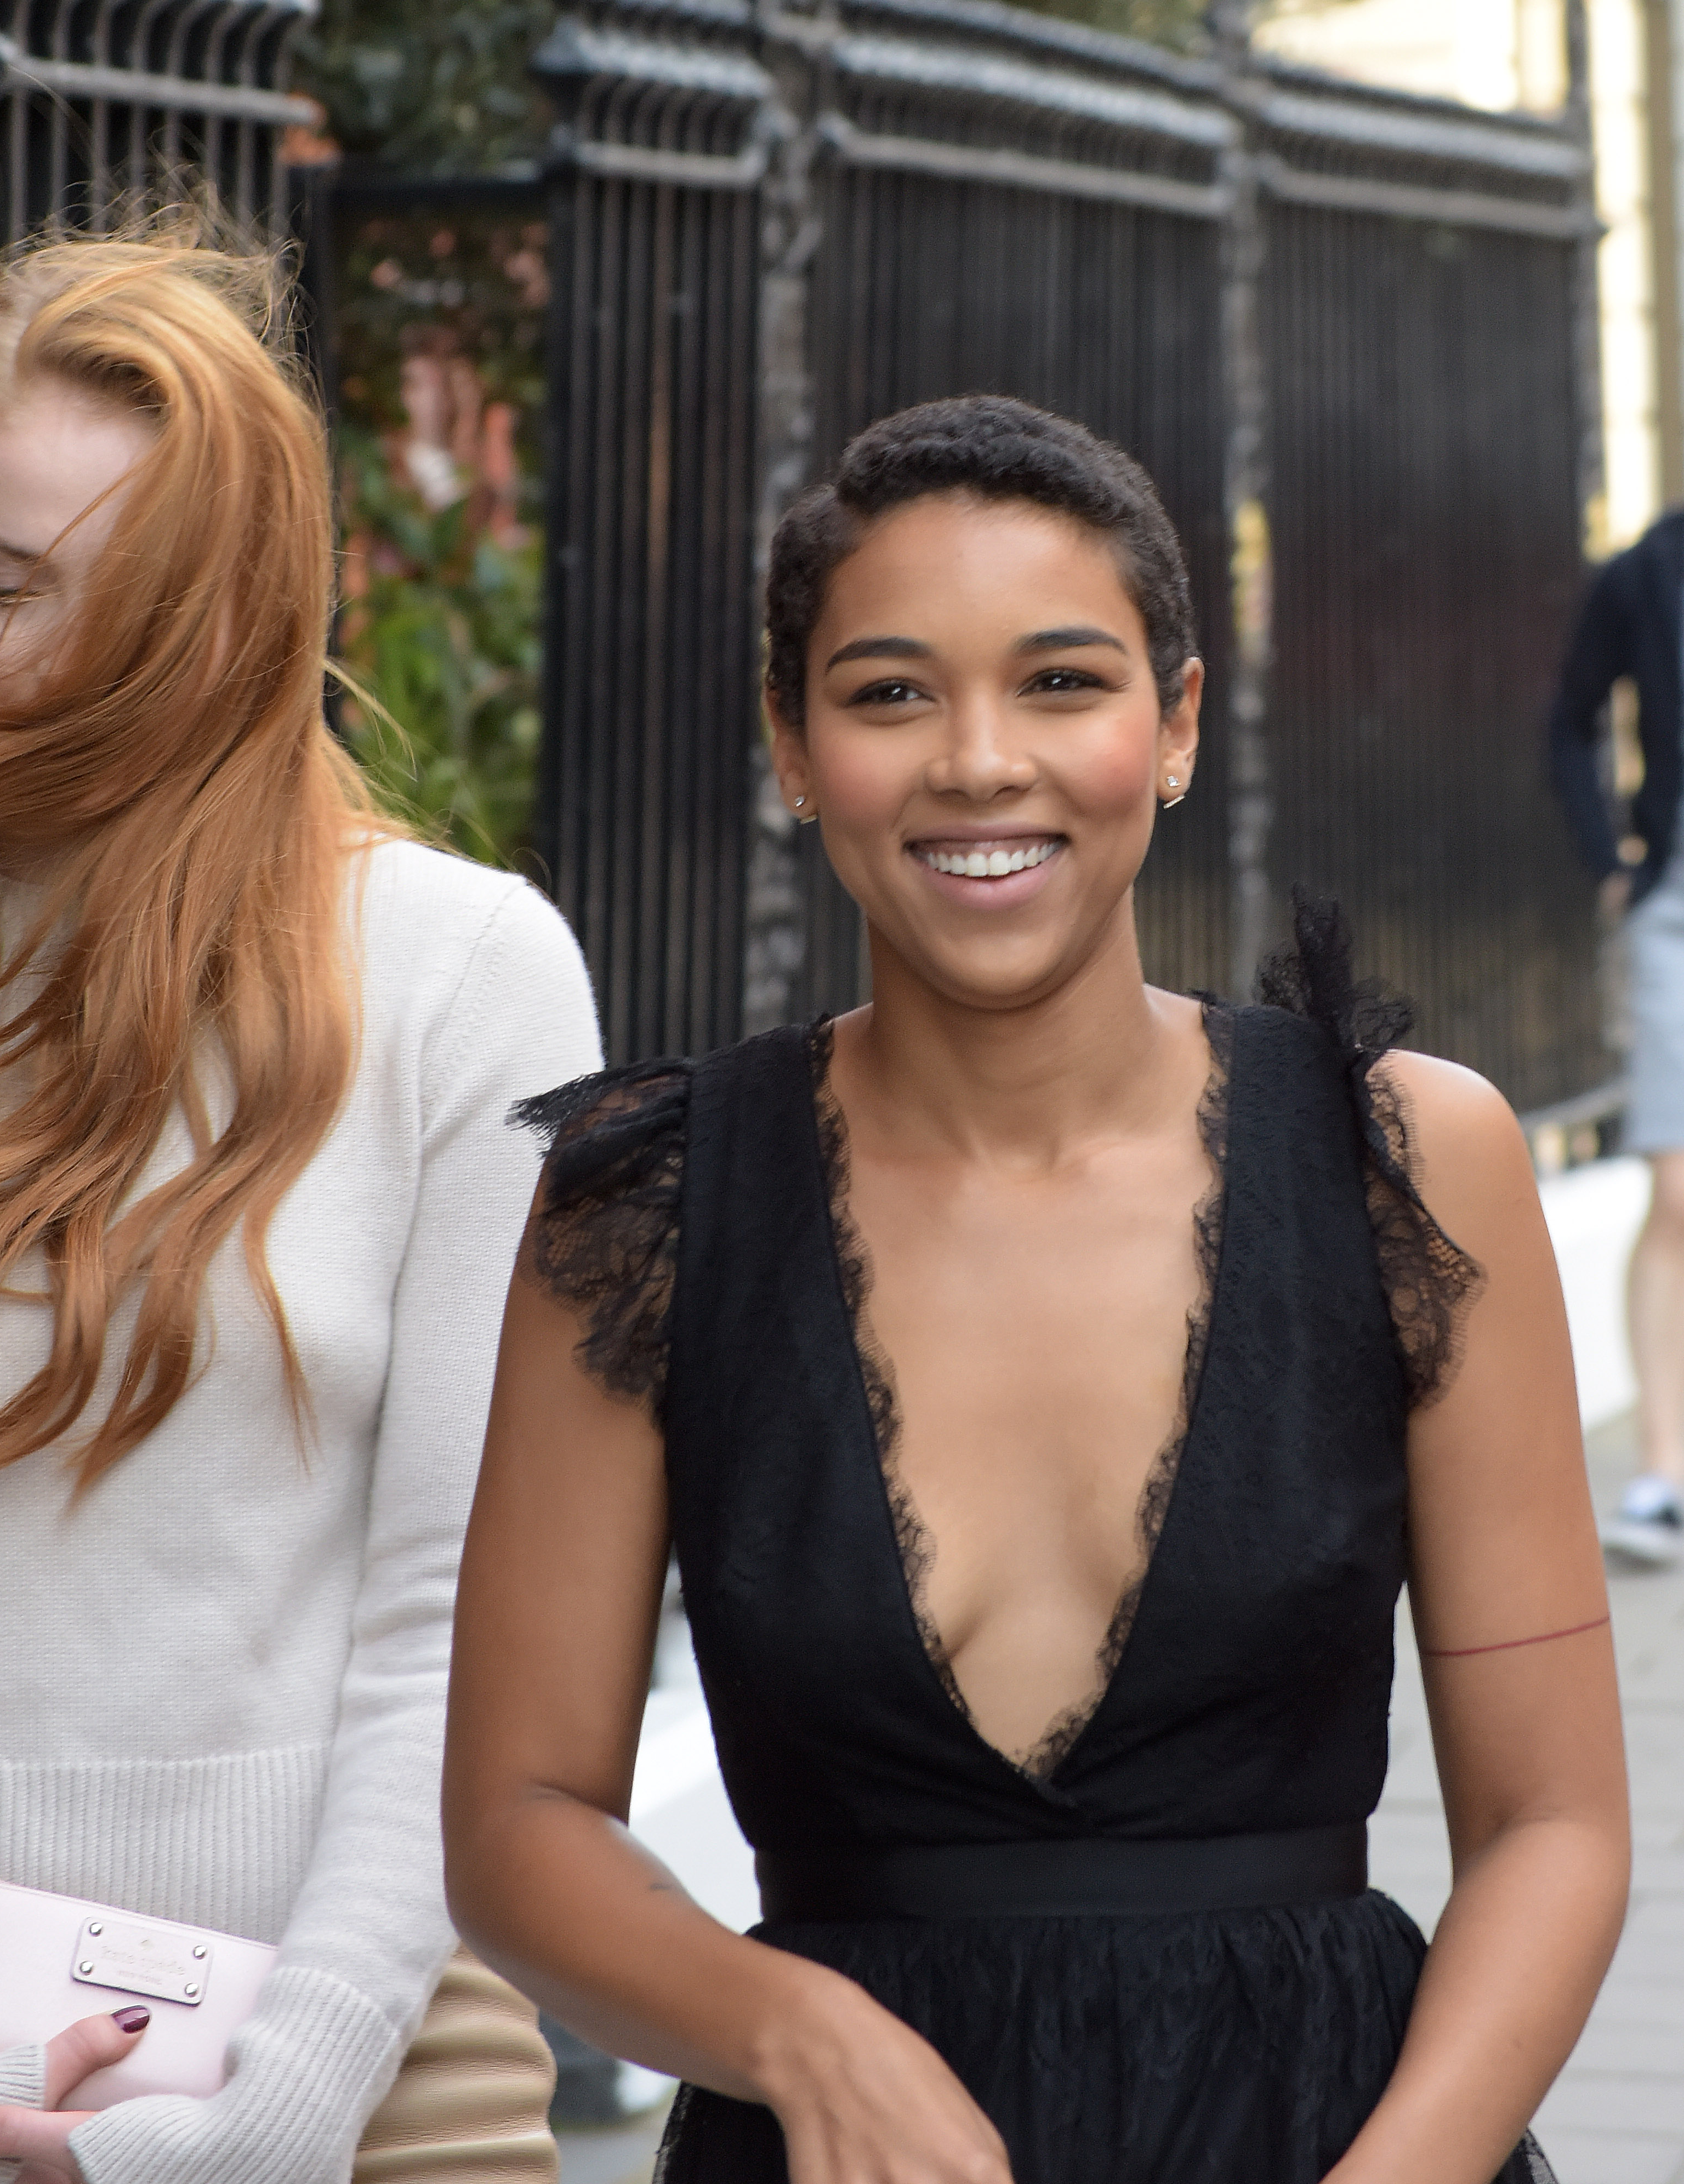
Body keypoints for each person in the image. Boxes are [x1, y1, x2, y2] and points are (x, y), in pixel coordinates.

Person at [443, 396, 1628, 2184]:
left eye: (1062, 682)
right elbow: (517, 1823)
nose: (980, 761)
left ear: (1177, 723)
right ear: (791, 742)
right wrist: (798, 2035)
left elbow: (1553, 1823)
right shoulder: (652, 1201)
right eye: (890, 694)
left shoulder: (1401, 1156)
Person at [0, 229, 600, 2182]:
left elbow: (461, 1615)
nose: (73, 663)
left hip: (364, 2064)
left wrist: (275, 2113)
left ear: (261, 586)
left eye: (149, 595)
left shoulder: (462, 974)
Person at [1551, 509, 1684, 1562]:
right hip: (1674, 905)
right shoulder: (1646, 571)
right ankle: (1663, 1475)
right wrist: (1611, 862)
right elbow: (1571, 720)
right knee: (1677, 1187)